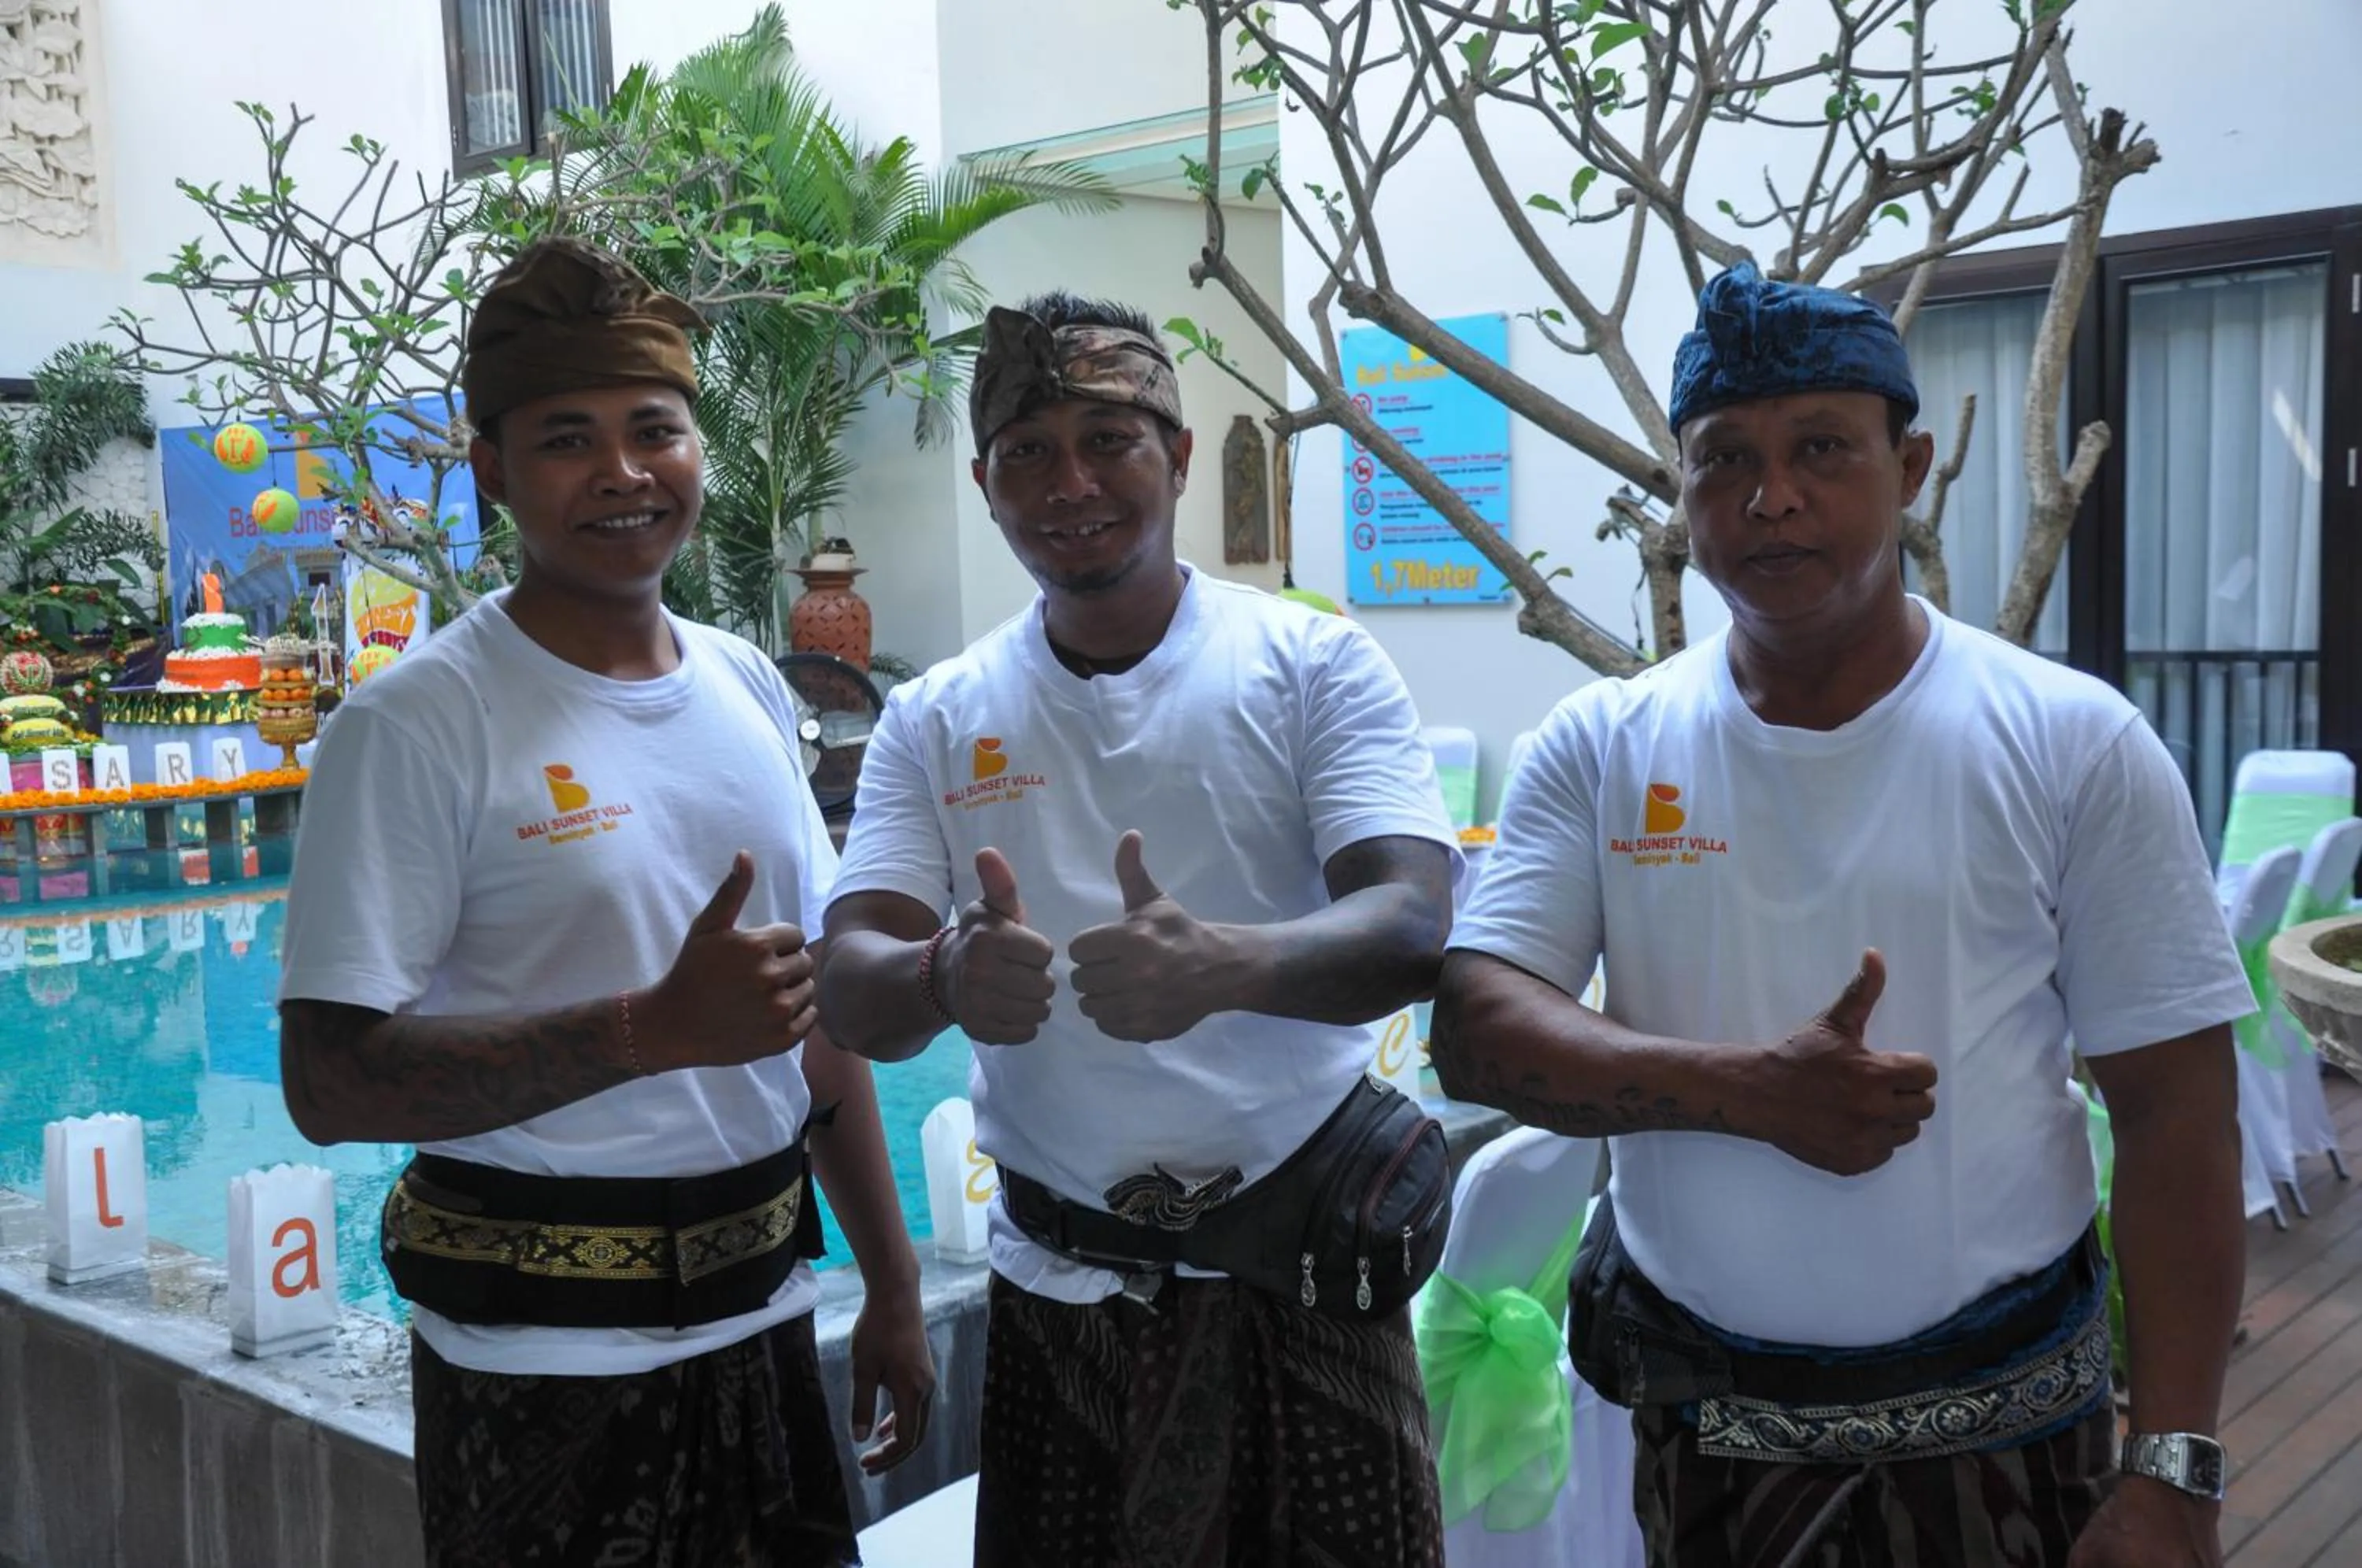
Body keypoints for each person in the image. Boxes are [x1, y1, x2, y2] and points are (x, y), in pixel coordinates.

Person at [1432, 261, 2253, 1568]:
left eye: (1822, 447)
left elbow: (2177, 1116)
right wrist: (1748, 1092)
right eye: (1724, 461)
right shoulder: (1602, 745)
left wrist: (2176, 1472)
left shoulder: (2069, 742)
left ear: (1911, 465)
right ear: (1682, 493)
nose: (1773, 499)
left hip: (2009, 1435)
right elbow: (1476, 1030)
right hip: (1710, 1441)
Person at [277, 236, 934, 1567]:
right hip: (537, 1381)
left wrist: (895, 1284)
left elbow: (809, 1027)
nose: (624, 473)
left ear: (701, 450)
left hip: (763, 1334)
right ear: (492, 471)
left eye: (656, 430)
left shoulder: (751, 685)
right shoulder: (415, 726)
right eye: (569, 438)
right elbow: (330, 1086)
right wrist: (649, 1029)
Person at [818, 291, 1461, 1566]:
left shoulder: (1309, 666)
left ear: (1174, 451)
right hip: (1064, 1300)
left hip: (1301, 1276)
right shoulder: (937, 716)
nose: (1071, 481)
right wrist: (944, 972)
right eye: (1027, 450)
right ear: (986, 482)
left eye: (1109, 438)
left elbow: (1412, 918)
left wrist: (1226, 965)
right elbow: (849, 981)